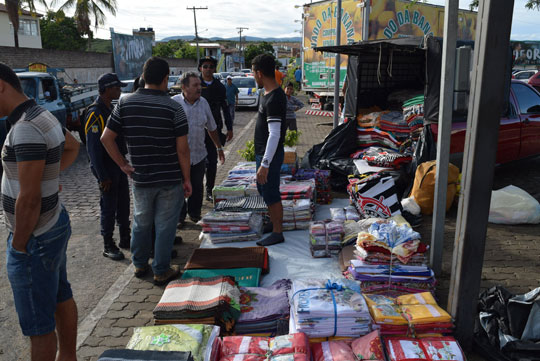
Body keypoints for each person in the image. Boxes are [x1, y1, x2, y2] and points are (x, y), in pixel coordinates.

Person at [0, 62, 80, 361]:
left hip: (35, 237)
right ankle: (68, 356)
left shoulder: (26, 128)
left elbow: (30, 199)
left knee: (38, 326)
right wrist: (49, 176)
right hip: (53, 224)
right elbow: (72, 147)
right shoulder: (40, 114)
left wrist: (19, 245)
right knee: (60, 295)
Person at [101, 57, 192, 286]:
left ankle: (139, 263)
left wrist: (123, 164)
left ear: (143, 76)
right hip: (170, 178)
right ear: (165, 78)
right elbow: (183, 150)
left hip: (140, 177)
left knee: (141, 222)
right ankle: (161, 269)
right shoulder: (174, 107)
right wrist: (188, 179)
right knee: (165, 226)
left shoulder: (125, 103)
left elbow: (106, 138)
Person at [85, 73, 130, 260]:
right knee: (108, 207)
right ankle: (108, 243)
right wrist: (102, 176)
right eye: (116, 87)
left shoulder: (111, 108)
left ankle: (126, 238)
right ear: (106, 89)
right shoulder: (95, 113)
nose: (120, 90)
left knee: (124, 204)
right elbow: (93, 149)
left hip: (118, 164)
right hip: (107, 168)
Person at [172, 72, 225, 227]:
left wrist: (219, 147)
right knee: (179, 188)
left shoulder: (204, 103)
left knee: (197, 186)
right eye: (195, 85)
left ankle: (194, 214)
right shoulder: (174, 103)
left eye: (199, 85)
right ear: (184, 87)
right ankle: (179, 218)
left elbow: (212, 127)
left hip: (199, 154)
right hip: (179, 157)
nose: (199, 88)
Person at [251, 54, 287, 246]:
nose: (253, 76)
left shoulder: (274, 99)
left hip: (269, 155)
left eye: (253, 72)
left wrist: (265, 163)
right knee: (263, 188)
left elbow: (274, 134)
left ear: (259, 73)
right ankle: (273, 223)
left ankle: (278, 231)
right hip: (263, 153)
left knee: (271, 192)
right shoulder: (266, 94)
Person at [199, 56, 233, 202]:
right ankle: (195, 192)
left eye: (211, 66)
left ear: (214, 69)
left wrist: (229, 127)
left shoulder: (219, 86)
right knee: (197, 162)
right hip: (197, 129)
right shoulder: (195, 84)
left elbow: (225, 108)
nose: (208, 69)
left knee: (212, 162)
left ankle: (209, 190)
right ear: (200, 68)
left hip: (215, 129)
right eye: (205, 66)